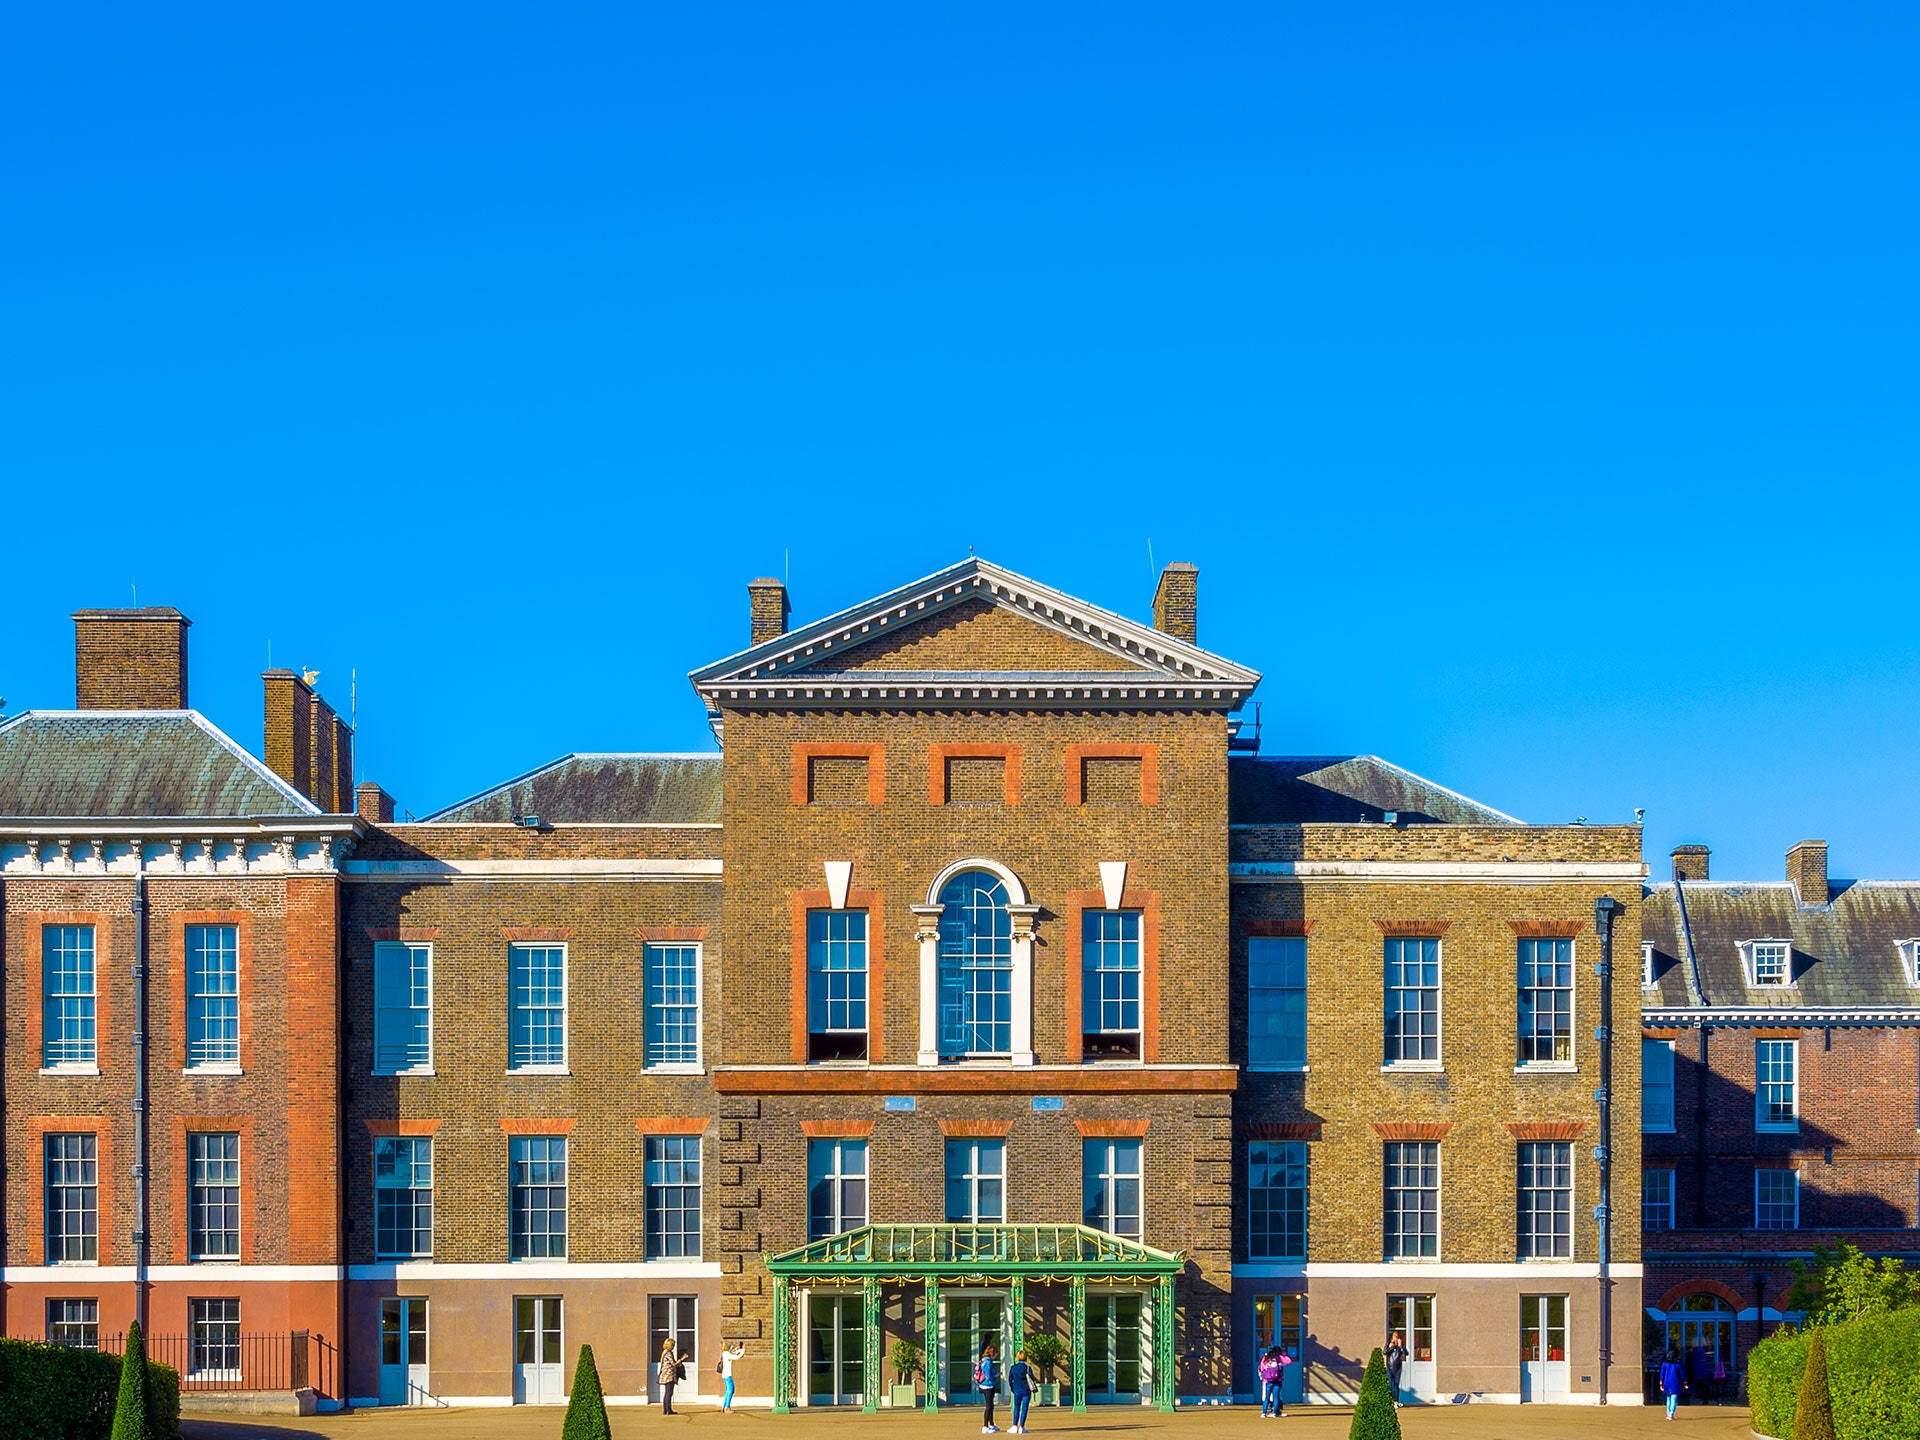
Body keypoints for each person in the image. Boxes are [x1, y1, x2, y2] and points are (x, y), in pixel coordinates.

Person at [976, 1341, 1000, 1434]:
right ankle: (985, 1426)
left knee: (991, 1405)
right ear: (992, 1353)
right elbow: (989, 1375)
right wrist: (996, 1375)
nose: (996, 1356)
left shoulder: (983, 1360)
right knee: (989, 1406)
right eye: (996, 1353)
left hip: (986, 1385)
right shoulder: (988, 1362)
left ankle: (992, 1424)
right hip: (988, 1386)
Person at [1008, 1348, 1033, 1434]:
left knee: (1016, 1408)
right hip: (1026, 1390)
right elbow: (1032, 1378)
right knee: (1024, 1408)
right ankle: (1021, 1427)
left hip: (1017, 1390)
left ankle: (1014, 1425)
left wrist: (1012, 1388)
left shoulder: (1013, 1368)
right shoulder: (1028, 1368)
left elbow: (1010, 1379)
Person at [659, 1339, 685, 1416]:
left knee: (667, 1393)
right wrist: (682, 1359)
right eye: (673, 1345)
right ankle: (668, 1410)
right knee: (669, 1393)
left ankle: (666, 1409)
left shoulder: (664, 1352)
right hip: (669, 1375)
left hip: (666, 1375)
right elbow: (674, 1364)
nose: (673, 1346)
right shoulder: (668, 1353)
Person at [1659, 1348, 1686, 1420]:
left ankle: (1668, 1414)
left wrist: (1661, 1381)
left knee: (1668, 1398)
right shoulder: (1678, 1365)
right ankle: (1671, 1414)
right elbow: (1682, 1374)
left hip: (1666, 1382)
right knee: (1674, 1398)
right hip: (1675, 1382)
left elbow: (1662, 1373)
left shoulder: (1664, 1364)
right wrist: (1684, 1382)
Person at [1383, 1331, 1408, 1408]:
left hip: (1398, 1368)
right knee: (1391, 1384)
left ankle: (1396, 1401)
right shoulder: (1389, 1344)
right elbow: (1384, 1352)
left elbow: (1406, 1353)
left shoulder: (1400, 1347)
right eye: (1394, 1337)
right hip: (1389, 1367)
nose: (1395, 1339)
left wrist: (1401, 1347)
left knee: (1396, 1385)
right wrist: (1390, 1346)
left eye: (1397, 1338)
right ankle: (1391, 1401)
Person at [719, 1342, 746, 1413]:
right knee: (731, 1390)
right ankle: (727, 1407)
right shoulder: (727, 1354)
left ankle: (725, 1406)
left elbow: (735, 1352)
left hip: (725, 1374)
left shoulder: (725, 1353)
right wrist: (743, 1350)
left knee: (728, 1390)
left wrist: (740, 1350)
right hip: (727, 1375)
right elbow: (736, 1357)